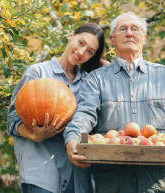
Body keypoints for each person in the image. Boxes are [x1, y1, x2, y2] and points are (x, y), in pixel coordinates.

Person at [64, 12, 165, 193]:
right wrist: (71, 139)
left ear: (145, 38)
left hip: (160, 185)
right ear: (111, 39)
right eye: (122, 29)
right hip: (113, 185)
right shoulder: (96, 80)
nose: (129, 33)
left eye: (135, 29)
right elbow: (84, 115)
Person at [7, 23, 105, 193]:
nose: (81, 52)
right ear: (71, 36)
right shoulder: (37, 73)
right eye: (81, 43)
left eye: (90, 51)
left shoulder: (88, 83)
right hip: (41, 171)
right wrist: (34, 135)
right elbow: (13, 118)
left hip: (76, 172)